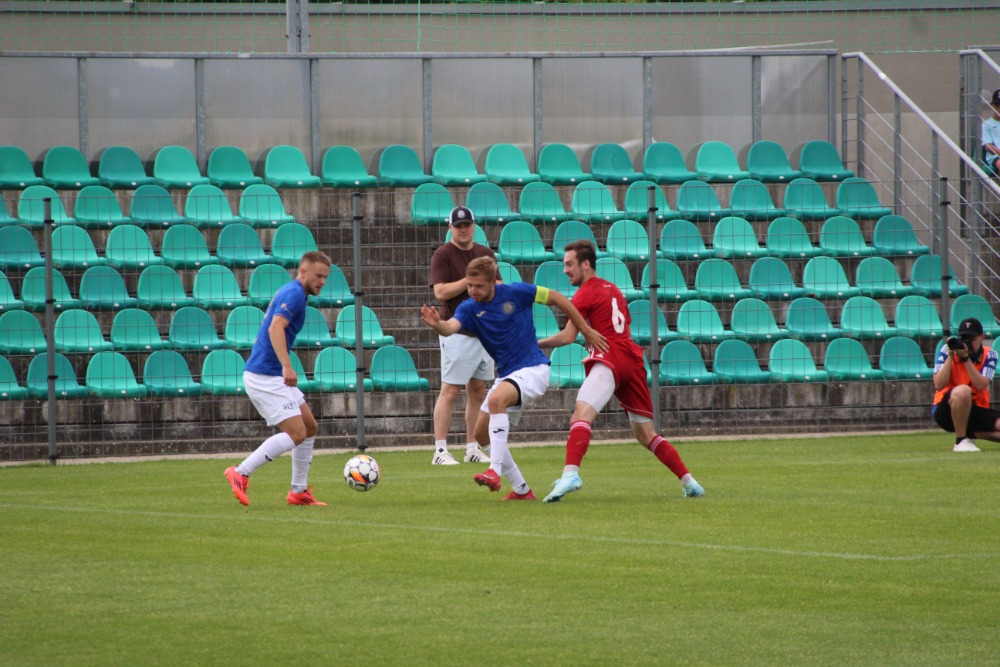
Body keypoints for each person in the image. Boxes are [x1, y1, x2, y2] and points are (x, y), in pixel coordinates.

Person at [420, 256, 608, 500]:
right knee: (481, 433)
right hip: (509, 374)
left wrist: (586, 330)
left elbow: (558, 298)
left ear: (493, 282)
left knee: (496, 400)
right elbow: (450, 328)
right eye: (470, 285)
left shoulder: (517, 292)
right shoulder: (469, 308)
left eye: (479, 286)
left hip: (534, 368)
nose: (473, 291)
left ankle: (494, 471)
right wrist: (437, 324)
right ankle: (522, 489)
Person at [537, 241, 704, 502]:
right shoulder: (613, 289)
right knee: (646, 434)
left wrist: (534, 344)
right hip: (632, 361)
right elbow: (617, 328)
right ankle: (690, 482)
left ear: (585, 264)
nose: (565, 270)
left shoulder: (583, 294)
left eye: (569, 264)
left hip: (612, 359)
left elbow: (568, 336)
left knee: (580, 415)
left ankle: (571, 474)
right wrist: (596, 352)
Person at [224, 251, 332, 506]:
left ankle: (298, 491)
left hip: (271, 374)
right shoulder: (294, 294)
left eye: (325, 277)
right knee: (297, 433)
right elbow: (275, 328)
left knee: (309, 427)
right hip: (265, 376)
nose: (322, 282)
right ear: (303, 272)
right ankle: (240, 472)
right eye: (318, 276)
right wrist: (286, 366)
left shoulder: (296, 293)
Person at [427, 205, 495, 466]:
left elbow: (497, 285)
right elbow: (440, 292)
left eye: (467, 225)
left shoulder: (485, 253)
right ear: (451, 228)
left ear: (474, 226)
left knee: (478, 389)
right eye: (458, 226)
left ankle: (471, 447)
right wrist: (471, 281)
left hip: (483, 330)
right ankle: (440, 450)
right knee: (450, 390)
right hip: (456, 330)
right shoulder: (443, 254)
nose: (463, 229)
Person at [932, 316, 1000, 452]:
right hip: (947, 408)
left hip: (975, 408)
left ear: (982, 338)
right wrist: (951, 357)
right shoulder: (947, 350)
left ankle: (970, 434)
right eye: (964, 338)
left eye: (972, 339)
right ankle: (960, 441)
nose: (967, 343)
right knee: (963, 391)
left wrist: (966, 359)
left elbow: (981, 385)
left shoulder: (990, 354)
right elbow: (938, 384)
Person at [981, 88, 1000, 176]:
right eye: (997, 105)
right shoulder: (986, 125)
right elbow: (988, 146)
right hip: (995, 157)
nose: (999, 108)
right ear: (993, 106)